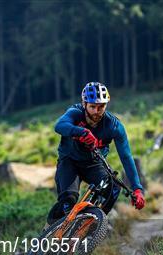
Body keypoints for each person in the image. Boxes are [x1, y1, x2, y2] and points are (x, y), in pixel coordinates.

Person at [46, 82, 145, 226]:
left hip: (93, 163)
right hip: (69, 161)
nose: (96, 112)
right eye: (92, 106)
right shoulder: (75, 112)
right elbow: (59, 126)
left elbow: (126, 156)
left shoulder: (114, 126)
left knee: (113, 188)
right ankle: (51, 228)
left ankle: (92, 225)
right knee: (69, 199)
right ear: (84, 104)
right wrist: (81, 132)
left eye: (101, 107)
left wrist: (137, 188)